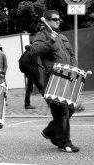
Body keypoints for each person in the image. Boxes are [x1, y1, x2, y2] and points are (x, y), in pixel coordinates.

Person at [30, 10, 79, 152]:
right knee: (60, 111)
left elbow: (72, 55)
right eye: (55, 19)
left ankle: (50, 131)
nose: (58, 21)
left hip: (67, 77)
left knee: (70, 108)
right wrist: (50, 40)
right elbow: (34, 51)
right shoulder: (42, 35)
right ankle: (64, 143)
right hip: (53, 78)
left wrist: (74, 71)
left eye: (59, 19)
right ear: (45, 21)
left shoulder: (62, 36)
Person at [23, 45, 45, 109]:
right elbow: (25, 63)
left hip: (34, 75)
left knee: (41, 88)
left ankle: (49, 103)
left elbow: (34, 63)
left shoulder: (29, 54)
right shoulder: (28, 54)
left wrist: (39, 66)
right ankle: (27, 104)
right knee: (30, 89)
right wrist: (31, 69)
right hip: (32, 75)